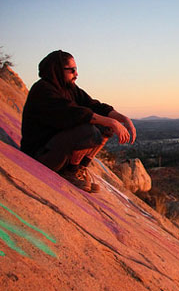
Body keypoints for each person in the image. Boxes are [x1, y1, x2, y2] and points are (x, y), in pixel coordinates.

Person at [21, 50, 136, 193]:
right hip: (40, 155)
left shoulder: (69, 88)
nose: (76, 74)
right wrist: (111, 122)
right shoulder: (43, 90)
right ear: (57, 70)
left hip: (56, 150)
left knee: (105, 127)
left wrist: (122, 119)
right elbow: (74, 114)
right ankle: (71, 170)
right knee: (87, 130)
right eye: (72, 70)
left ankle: (79, 169)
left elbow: (93, 105)